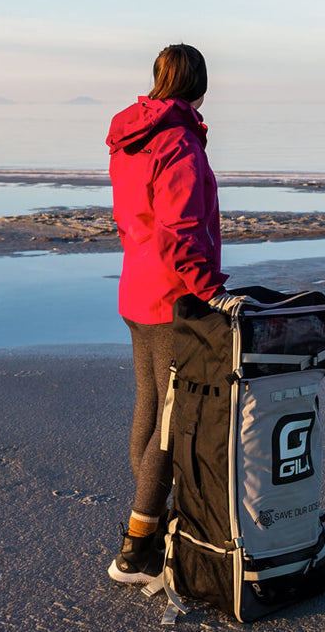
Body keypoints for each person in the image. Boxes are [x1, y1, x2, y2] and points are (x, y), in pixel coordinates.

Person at [104, 43, 239, 584]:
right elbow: (181, 228)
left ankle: (155, 526)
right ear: (199, 86)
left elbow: (130, 216)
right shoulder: (178, 141)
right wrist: (211, 291)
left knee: (150, 404)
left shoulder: (130, 138)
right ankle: (137, 550)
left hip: (136, 289)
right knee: (171, 419)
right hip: (170, 297)